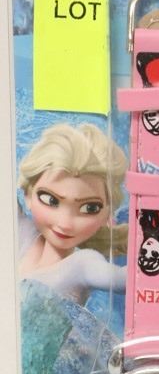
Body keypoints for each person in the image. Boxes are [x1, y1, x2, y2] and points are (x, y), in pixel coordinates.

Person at [18, 123, 128, 304]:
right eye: (50, 200)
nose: (65, 223)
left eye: (89, 208)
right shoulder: (21, 232)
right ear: (27, 194)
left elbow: (123, 279)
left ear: (107, 214)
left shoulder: (83, 265)